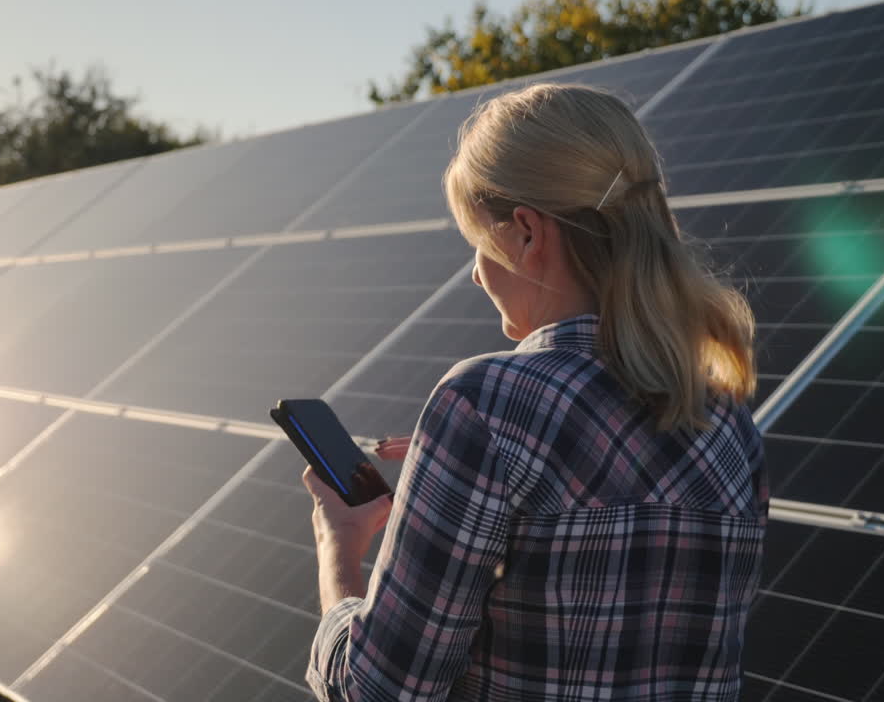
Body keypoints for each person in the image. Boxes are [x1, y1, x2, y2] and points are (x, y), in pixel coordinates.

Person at [302, 83, 767, 701]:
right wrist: (478, 474)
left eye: (477, 241)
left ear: (526, 232)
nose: (474, 271)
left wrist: (339, 553)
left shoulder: (485, 404)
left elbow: (381, 692)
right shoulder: (731, 425)